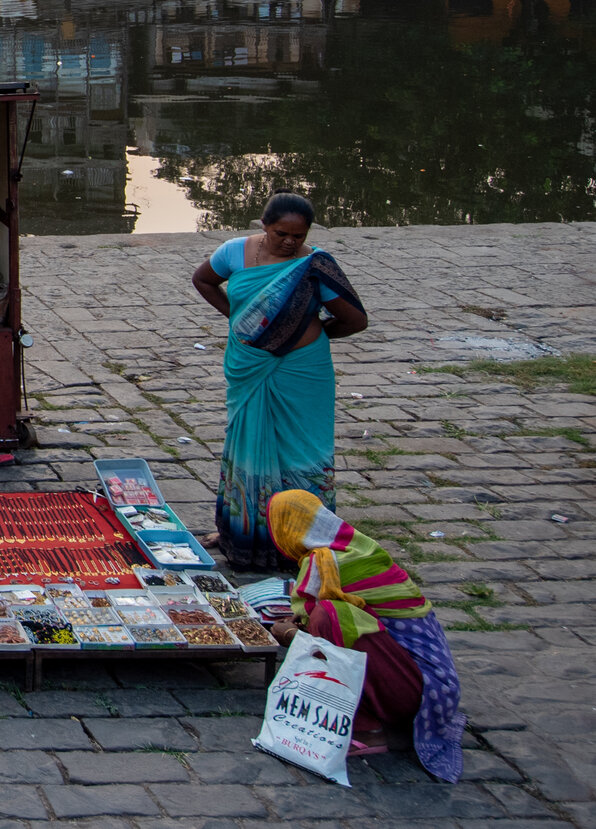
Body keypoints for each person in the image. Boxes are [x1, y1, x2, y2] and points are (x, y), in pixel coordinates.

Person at [189, 193, 368, 570]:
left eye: (298, 235)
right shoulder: (234, 253)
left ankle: (302, 534)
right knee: (246, 443)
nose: (289, 241)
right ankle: (243, 529)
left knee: (301, 448)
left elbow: (354, 319)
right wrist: (237, 319)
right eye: (280, 233)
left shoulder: (314, 265)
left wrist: (302, 334)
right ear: (263, 225)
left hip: (302, 369)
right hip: (248, 364)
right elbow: (203, 280)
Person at [267, 490, 465, 780]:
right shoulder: (354, 546)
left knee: (330, 616)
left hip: (418, 691)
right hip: (432, 683)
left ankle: (368, 730)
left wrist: (290, 637)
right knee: (329, 616)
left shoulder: (326, 563)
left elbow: (324, 628)